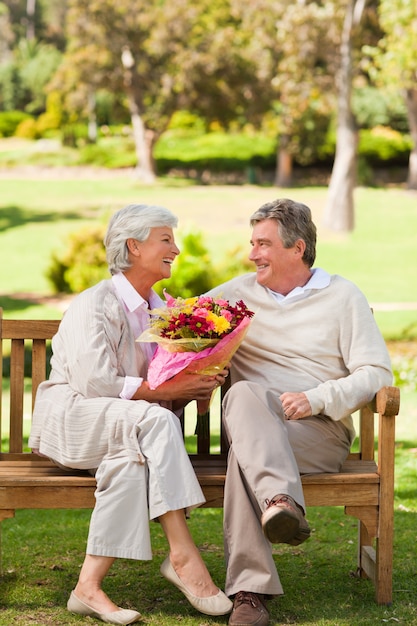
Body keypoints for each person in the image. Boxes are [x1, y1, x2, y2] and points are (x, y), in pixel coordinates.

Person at [29, 203, 233, 625]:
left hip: (123, 432)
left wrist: (197, 383)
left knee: (129, 467)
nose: (175, 249)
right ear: (133, 246)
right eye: (165, 239)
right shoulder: (96, 303)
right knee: (155, 421)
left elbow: (158, 385)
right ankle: (183, 556)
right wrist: (170, 392)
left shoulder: (160, 311)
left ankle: (87, 588)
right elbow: (96, 384)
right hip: (76, 420)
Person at [206, 198, 393, 626]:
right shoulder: (236, 295)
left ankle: (249, 594)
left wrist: (318, 398)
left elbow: (377, 373)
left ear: (298, 248)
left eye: (264, 244)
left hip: (317, 432)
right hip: (257, 426)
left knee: (245, 456)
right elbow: (179, 320)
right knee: (246, 395)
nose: (253, 254)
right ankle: (280, 503)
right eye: (252, 243)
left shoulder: (342, 296)